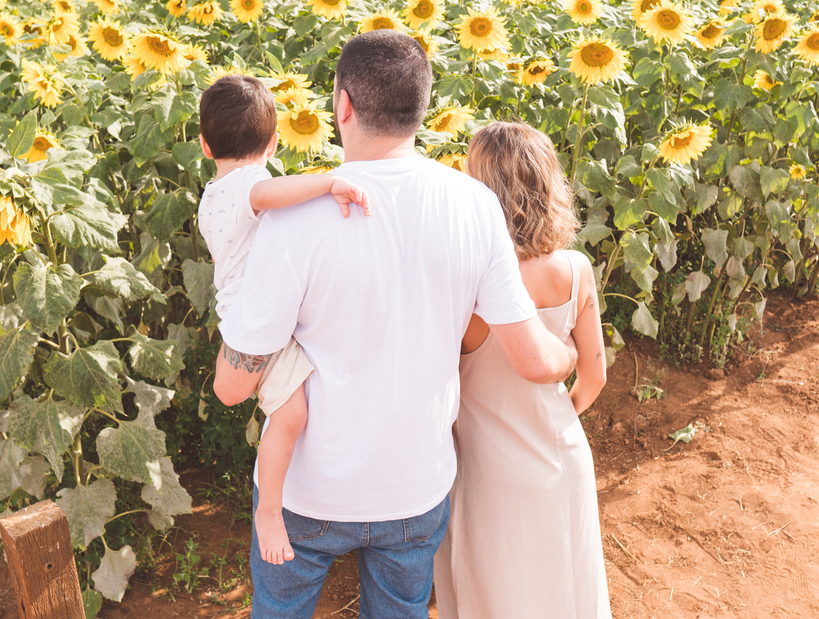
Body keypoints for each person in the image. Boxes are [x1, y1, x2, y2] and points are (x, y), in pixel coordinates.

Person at [213, 30, 578, 619]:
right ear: (422, 108)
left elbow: (233, 387)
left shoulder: (297, 218)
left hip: (310, 492)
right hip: (415, 487)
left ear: (342, 106)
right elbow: (536, 361)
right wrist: (571, 356)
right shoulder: (474, 206)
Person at [433, 121, 613, 619]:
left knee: (494, 596)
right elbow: (594, 377)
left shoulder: (466, 278)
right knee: (567, 593)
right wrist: (552, 420)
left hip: (486, 471)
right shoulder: (576, 268)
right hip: (563, 457)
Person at [195, 73, 372, 566]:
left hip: (243, 316)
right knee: (291, 416)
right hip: (256, 324)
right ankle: (269, 510)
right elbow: (268, 194)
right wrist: (331, 181)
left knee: (288, 411)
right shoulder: (250, 186)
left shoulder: (213, 194)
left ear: (206, 147)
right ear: (274, 143)